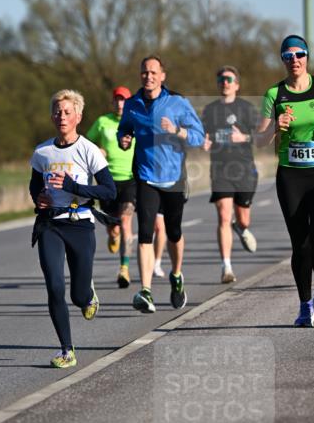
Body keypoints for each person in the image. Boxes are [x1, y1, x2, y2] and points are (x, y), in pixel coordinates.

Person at [256, 34, 314, 326]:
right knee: (301, 243)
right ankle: (305, 305)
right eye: (288, 56)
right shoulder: (274, 94)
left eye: (299, 54)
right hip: (291, 175)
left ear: (307, 56)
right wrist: (275, 127)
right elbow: (259, 140)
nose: (294, 60)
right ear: (282, 60)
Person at [30, 89, 116, 368]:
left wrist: (73, 187)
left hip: (80, 225)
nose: (62, 116)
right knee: (55, 287)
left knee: (78, 296)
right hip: (50, 225)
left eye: (67, 112)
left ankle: (88, 295)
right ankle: (67, 350)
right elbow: (34, 186)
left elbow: (109, 191)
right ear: (51, 117)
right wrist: (39, 198)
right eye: (57, 112)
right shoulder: (42, 152)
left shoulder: (88, 150)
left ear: (78, 116)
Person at [117, 57, 205, 314]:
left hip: (174, 177)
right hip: (145, 177)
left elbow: (199, 137)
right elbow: (124, 129)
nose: (149, 76)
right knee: (145, 233)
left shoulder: (178, 102)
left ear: (162, 76)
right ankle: (145, 290)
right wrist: (124, 139)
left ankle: (176, 275)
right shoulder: (132, 104)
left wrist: (177, 131)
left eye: (153, 72)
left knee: (174, 232)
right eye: (145, 72)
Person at [202, 65, 260, 283]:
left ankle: (241, 228)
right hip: (220, 170)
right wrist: (204, 141)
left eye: (228, 79)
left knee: (243, 219)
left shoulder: (247, 108)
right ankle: (226, 267)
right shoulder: (210, 110)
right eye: (221, 80)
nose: (224, 83)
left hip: (244, 170)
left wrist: (244, 138)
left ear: (237, 85)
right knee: (224, 215)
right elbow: (203, 134)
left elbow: (261, 136)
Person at [86, 86, 136, 288]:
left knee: (125, 222)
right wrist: (97, 150)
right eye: (117, 99)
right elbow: (86, 144)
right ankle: (113, 235)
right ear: (112, 102)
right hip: (107, 180)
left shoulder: (136, 122)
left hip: (130, 179)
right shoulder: (102, 122)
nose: (120, 103)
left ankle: (124, 268)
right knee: (114, 228)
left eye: (124, 100)